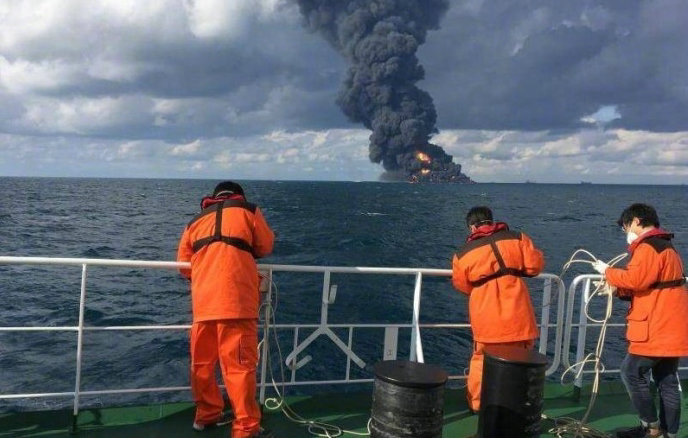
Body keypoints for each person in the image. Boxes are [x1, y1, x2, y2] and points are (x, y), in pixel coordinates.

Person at [177, 181, 275, 438]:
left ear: (214, 197)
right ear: (238, 196)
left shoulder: (194, 222)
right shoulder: (249, 211)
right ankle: (246, 429)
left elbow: (184, 267)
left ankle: (206, 415)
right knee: (240, 369)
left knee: (202, 366)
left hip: (204, 307)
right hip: (237, 305)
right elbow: (265, 246)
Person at [593, 204, 688, 438]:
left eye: (626, 227)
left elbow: (636, 279)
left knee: (630, 371)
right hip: (671, 323)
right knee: (666, 379)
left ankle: (651, 428)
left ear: (636, 221)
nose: (626, 232)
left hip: (656, 325)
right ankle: (668, 432)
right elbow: (653, 284)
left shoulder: (648, 247)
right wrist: (616, 290)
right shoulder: (666, 246)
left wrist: (608, 272)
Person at [451, 206, 544, 412]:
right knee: (520, 359)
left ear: (472, 227)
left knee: (481, 360)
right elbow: (534, 266)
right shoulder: (518, 238)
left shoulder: (462, 254)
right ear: (491, 221)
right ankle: (516, 403)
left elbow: (462, 285)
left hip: (485, 315)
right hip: (518, 312)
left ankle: (477, 404)